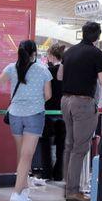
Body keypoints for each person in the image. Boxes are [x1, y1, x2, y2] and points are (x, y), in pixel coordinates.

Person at [0, 40, 51, 201]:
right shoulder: (42, 70)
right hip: (34, 115)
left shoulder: (11, 68)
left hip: (15, 115)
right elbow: (48, 95)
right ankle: (17, 193)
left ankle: (24, 190)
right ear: (34, 53)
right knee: (27, 155)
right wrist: (34, 100)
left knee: (21, 154)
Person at [60, 22, 102, 201]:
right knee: (80, 147)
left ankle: (68, 187)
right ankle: (73, 191)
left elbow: (59, 76)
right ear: (97, 36)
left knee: (69, 144)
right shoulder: (96, 53)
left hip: (65, 101)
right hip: (83, 102)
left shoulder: (69, 51)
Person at [37, 43, 68, 181]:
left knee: (45, 144)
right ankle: (59, 173)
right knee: (62, 146)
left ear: (51, 55)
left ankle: (46, 172)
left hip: (47, 112)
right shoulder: (67, 72)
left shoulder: (46, 71)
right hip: (63, 112)